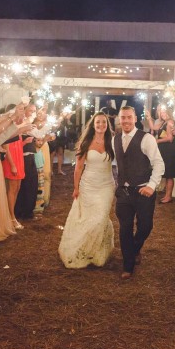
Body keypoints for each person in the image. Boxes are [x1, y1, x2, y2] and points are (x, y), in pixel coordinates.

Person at [58, 113, 116, 268]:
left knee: (100, 218)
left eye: (104, 122)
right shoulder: (86, 142)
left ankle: (97, 251)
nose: (101, 125)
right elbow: (78, 168)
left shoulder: (112, 141)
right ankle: (85, 250)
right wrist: (76, 188)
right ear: (93, 124)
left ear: (107, 125)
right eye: (98, 122)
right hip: (88, 186)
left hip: (106, 186)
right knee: (88, 219)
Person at [113, 106, 164, 279]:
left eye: (129, 117)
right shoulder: (115, 139)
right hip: (123, 192)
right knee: (125, 228)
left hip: (143, 190)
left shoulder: (146, 138)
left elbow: (158, 163)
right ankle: (128, 265)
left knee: (145, 226)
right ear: (119, 119)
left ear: (135, 118)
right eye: (123, 118)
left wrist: (152, 185)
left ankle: (135, 248)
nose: (126, 121)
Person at [145, 105, 175, 204]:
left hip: (170, 151)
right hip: (165, 150)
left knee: (169, 174)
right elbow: (153, 127)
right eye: (161, 112)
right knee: (167, 173)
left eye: (164, 112)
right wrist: (149, 117)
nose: (162, 114)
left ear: (168, 112)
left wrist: (157, 140)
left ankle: (168, 196)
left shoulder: (170, 122)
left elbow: (170, 138)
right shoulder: (164, 122)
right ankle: (167, 195)